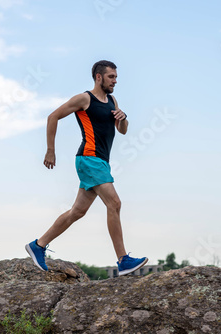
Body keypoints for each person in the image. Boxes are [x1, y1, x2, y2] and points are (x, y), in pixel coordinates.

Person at [25, 60, 148, 276]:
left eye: (116, 77)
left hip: (100, 161)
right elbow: (52, 116)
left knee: (77, 212)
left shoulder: (112, 100)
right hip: (89, 158)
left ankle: (38, 245)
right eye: (111, 77)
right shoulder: (84, 99)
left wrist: (123, 118)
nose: (115, 81)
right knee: (115, 203)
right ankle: (123, 260)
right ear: (99, 77)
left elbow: (123, 131)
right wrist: (50, 150)